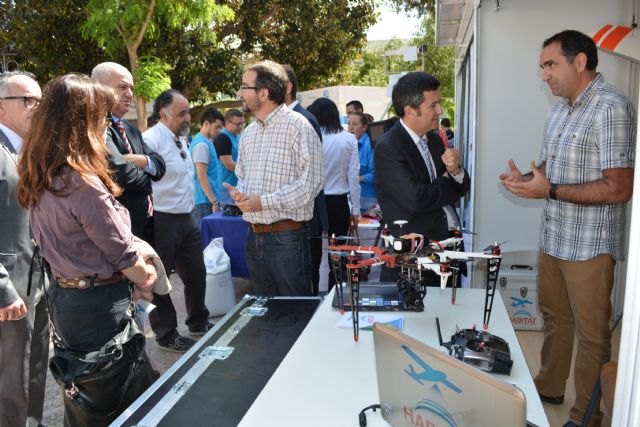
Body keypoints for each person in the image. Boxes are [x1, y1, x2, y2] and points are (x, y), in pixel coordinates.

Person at [499, 30, 636, 427]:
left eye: (551, 64)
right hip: (555, 236)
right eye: (542, 66)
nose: (545, 74)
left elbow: (619, 187)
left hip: (590, 245)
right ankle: (550, 386)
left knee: (593, 335)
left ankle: (586, 416)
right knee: (554, 317)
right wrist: (525, 180)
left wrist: (550, 189)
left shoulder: (612, 108)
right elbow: (549, 175)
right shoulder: (559, 109)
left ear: (580, 62)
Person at [16, 73, 157, 426]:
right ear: (84, 121)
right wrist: (147, 275)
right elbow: (122, 253)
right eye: (100, 116)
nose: (105, 124)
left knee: (85, 398)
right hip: (97, 305)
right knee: (113, 401)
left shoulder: (39, 171)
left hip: (68, 300)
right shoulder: (79, 181)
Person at [224, 60, 323, 297]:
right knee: (266, 312)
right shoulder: (249, 133)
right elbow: (243, 177)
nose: (240, 93)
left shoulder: (299, 126)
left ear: (264, 92)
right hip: (254, 235)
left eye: (244, 86)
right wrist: (242, 196)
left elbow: (311, 185)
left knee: (294, 313)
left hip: (287, 238)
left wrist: (263, 202)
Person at [375, 72, 470, 283]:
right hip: (414, 264)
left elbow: (463, 187)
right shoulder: (389, 148)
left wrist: (455, 171)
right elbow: (416, 200)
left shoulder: (434, 141)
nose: (440, 111)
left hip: (446, 254)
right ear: (410, 110)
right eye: (433, 105)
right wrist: (447, 180)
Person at [143, 89, 212, 352]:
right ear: (163, 114)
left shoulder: (179, 138)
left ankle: (197, 320)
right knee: (160, 281)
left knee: (196, 273)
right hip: (162, 219)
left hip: (186, 217)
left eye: (189, 112)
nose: (188, 118)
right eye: (182, 113)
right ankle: (166, 333)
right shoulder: (150, 139)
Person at [0, 71, 49, 427]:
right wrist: (2, 288)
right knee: (8, 382)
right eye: (29, 100)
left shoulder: (29, 150)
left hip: (37, 281)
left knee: (31, 370)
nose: (38, 107)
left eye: (40, 100)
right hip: (10, 288)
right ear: (2, 107)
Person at [91, 62, 166, 243]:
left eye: (131, 88)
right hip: (118, 230)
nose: (130, 94)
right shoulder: (96, 127)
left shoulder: (130, 129)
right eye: (123, 87)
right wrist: (148, 179)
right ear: (99, 88)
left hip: (145, 224)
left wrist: (141, 160)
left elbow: (160, 165)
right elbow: (121, 173)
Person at [282, 64, 328, 295]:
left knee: (305, 277)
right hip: (285, 222)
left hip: (304, 218)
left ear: (287, 87)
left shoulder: (303, 119)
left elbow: (311, 177)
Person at [308, 98, 360, 291]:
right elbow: (353, 176)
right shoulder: (348, 139)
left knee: (312, 254)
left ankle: (312, 295)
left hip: (314, 201)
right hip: (339, 202)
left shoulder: (311, 138)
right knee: (338, 252)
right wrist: (355, 209)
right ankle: (336, 293)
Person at [190, 106, 225, 225]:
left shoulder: (206, 142)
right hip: (203, 202)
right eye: (217, 127)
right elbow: (201, 176)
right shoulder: (201, 145)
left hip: (205, 200)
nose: (220, 130)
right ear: (206, 124)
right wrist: (214, 202)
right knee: (204, 241)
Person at [212, 108, 243, 209]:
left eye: (242, 123)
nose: (241, 127)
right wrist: (249, 171)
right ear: (227, 123)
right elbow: (229, 164)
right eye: (237, 124)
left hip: (238, 186)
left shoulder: (238, 136)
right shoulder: (222, 138)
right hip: (226, 188)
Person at [348, 111, 377, 213]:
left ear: (364, 127)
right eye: (349, 123)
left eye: (355, 124)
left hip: (369, 202)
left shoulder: (370, 145)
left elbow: (376, 175)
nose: (351, 127)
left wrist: (355, 178)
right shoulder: (348, 143)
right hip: (351, 200)